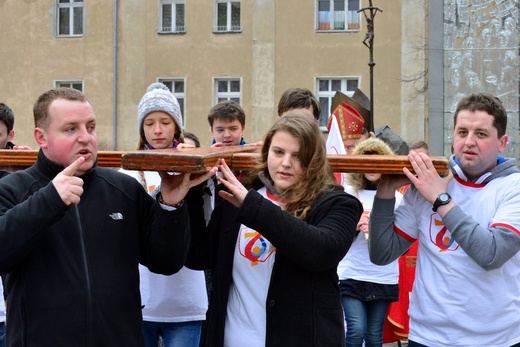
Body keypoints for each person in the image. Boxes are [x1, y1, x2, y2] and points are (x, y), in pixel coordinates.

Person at [0, 87, 215, 347]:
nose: (85, 138)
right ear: (41, 137)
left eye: (90, 127)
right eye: (71, 129)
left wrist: (170, 204)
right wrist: (50, 199)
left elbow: (166, 262)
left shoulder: (123, 188)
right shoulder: (13, 189)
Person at [186, 112, 363, 346]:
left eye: (298, 156)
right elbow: (198, 256)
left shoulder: (338, 203)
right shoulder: (239, 198)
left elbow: (321, 251)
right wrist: (190, 191)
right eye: (278, 152)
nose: (286, 163)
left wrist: (253, 207)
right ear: (267, 151)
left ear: (314, 161)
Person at [369, 93, 520, 347]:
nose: (469, 142)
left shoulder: (513, 187)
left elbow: (491, 254)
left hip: (496, 340)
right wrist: (384, 192)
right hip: (427, 337)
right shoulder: (429, 181)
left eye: (481, 134)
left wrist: (439, 198)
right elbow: (381, 254)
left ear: (502, 142)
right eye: (462, 132)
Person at [118, 83, 208, 347]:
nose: (157, 130)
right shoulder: (129, 173)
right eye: (149, 123)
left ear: (176, 127)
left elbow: (207, 220)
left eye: (165, 122)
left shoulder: (194, 167)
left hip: (185, 301)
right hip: (141, 299)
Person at [337, 138, 402, 347]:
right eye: (366, 160)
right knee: (355, 330)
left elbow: (401, 238)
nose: (371, 167)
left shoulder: (397, 198)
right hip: (351, 272)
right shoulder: (348, 194)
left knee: (374, 335)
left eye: (377, 161)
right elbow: (335, 238)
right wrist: (352, 228)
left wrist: (378, 231)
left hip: (382, 274)